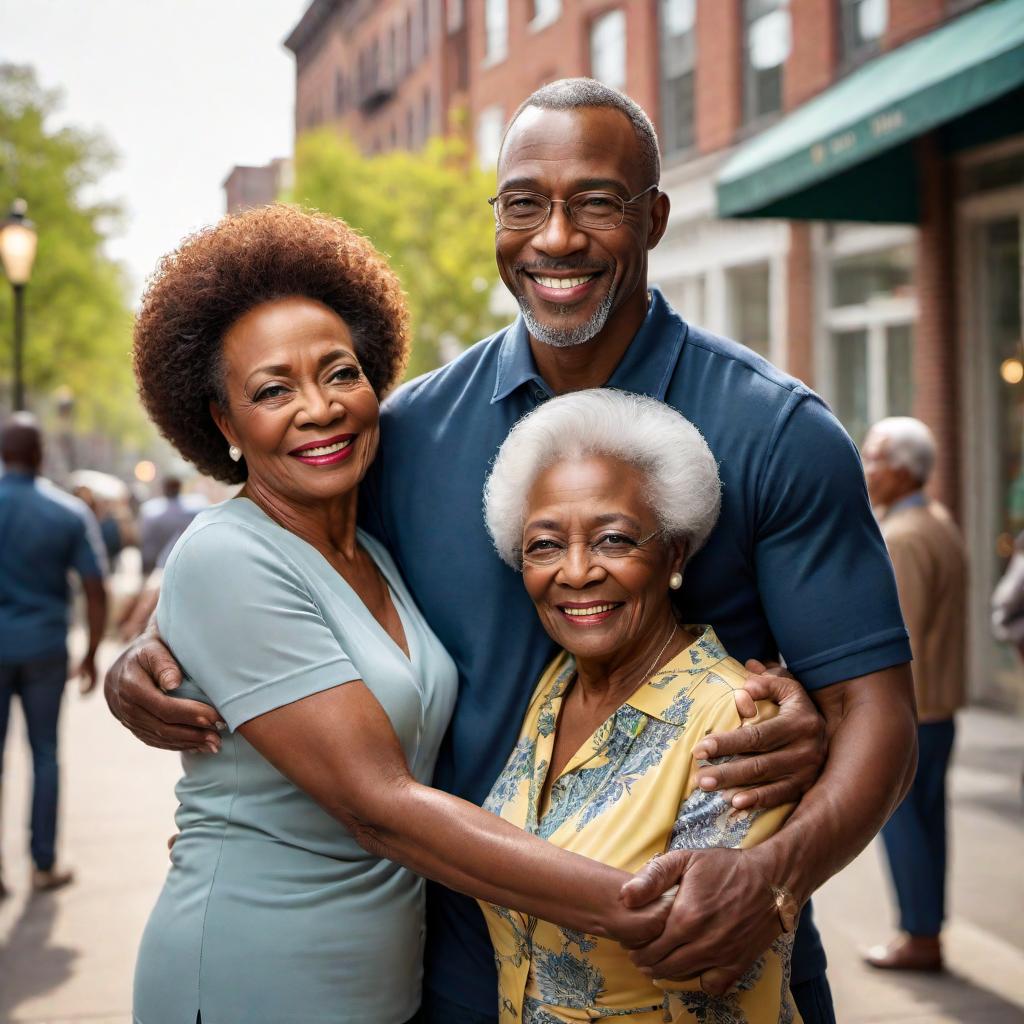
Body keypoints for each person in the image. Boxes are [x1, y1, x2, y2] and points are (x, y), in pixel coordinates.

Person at [106, 79, 917, 1024]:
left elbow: (879, 719)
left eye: (597, 202)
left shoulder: (776, 433)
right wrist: (155, 648)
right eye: (524, 203)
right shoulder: (405, 435)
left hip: (702, 964)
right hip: (454, 974)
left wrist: (774, 876)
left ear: (654, 217)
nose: (557, 237)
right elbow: (266, 554)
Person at [128, 205, 671, 1024]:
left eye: (339, 372)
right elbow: (377, 804)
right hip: (255, 973)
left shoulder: (369, 550)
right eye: (274, 390)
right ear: (223, 424)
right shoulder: (226, 555)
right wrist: (636, 908)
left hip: (378, 982)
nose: (320, 408)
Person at [480, 389, 799, 1022]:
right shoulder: (554, 687)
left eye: (613, 539)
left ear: (674, 553)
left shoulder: (735, 719)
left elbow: (719, 987)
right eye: (545, 545)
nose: (575, 572)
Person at [860, 417, 967, 973]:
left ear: (903, 471)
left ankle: (919, 937)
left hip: (914, 712)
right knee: (927, 822)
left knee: (902, 825)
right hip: (941, 708)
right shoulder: (939, 522)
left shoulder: (902, 539)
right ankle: (927, 931)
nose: (866, 466)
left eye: (875, 457)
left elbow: (897, 638)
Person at [0, 413, 108, 895]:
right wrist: (91, 653)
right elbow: (95, 587)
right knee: (44, 753)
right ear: (41, 455)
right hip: (45, 647)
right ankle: (43, 864)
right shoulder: (66, 512)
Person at [138, 476, 198, 576]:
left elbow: (146, 544)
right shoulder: (193, 514)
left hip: (158, 570)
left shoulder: (151, 514)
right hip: (183, 568)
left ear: (163, 489)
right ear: (180, 488)